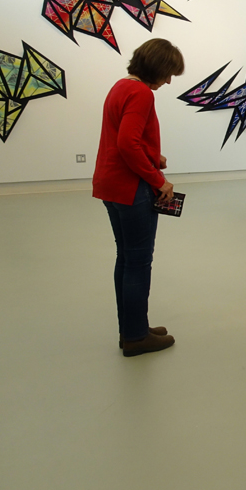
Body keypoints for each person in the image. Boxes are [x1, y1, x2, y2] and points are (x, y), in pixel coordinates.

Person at [92, 38, 185, 357]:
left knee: (126, 257)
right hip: (131, 188)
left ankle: (132, 328)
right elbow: (127, 144)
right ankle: (135, 337)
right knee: (139, 262)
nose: (169, 81)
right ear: (156, 67)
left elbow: (124, 137)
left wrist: (152, 156)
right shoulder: (142, 93)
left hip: (111, 184)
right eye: (168, 73)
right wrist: (159, 180)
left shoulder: (121, 86)